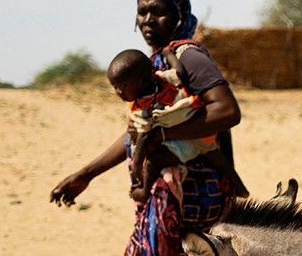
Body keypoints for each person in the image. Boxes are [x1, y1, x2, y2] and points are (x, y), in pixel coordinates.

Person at [51, 0, 242, 256]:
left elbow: (227, 111)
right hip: (167, 201)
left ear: (178, 16)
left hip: (196, 197)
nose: (148, 20)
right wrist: (86, 174)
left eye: (158, 12)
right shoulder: (152, 66)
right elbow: (139, 130)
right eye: (143, 12)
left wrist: (165, 135)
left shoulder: (188, 57)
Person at [106, 49, 248, 202]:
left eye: (123, 85)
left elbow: (144, 137)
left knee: (153, 163)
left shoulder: (143, 108)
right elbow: (180, 73)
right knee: (219, 160)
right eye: (115, 87)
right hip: (201, 129)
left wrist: (137, 165)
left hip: (185, 140)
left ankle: (144, 192)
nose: (118, 91)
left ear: (144, 80)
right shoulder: (163, 79)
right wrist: (170, 55)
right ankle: (241, 189)